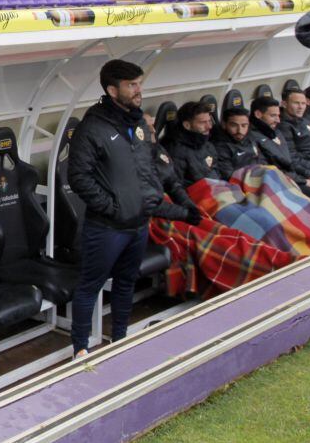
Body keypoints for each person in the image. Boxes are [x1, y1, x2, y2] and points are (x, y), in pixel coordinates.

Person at [67, 60, 162, 357]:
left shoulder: (136, 122)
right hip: (106, 227)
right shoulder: (92, 127)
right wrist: (112, 207)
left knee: (126, 283)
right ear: (112, 90)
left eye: (139, 83)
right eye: (131, 85)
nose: (138, 90)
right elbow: (78, 176)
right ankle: (80, 350)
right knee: (89, 287)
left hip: (137, 224)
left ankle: (119, 341)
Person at [249, 96, 310, 212]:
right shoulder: (253, 139)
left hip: (299, 176)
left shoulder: (276, 132)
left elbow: (290, 161)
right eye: (273, 116)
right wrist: (305, 181)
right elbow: (271, 171)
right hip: (284, 184)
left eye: (278, 116)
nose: (278, 120)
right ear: (258, 114)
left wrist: (309, 175)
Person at [163, 100, 219, 185]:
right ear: (187, 125)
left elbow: (216, 173)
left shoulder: (207, 144)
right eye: (203, 122)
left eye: (209, 121)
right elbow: (176, 187)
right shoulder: (176, 151)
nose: (209, 126)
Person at [213, 106, 264, 179]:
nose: (240, 130)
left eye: (244, 125)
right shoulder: (220, 147)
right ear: (224, 125)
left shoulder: (251, 138)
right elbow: (229, 176)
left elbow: (262, 161)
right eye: (234, 125)